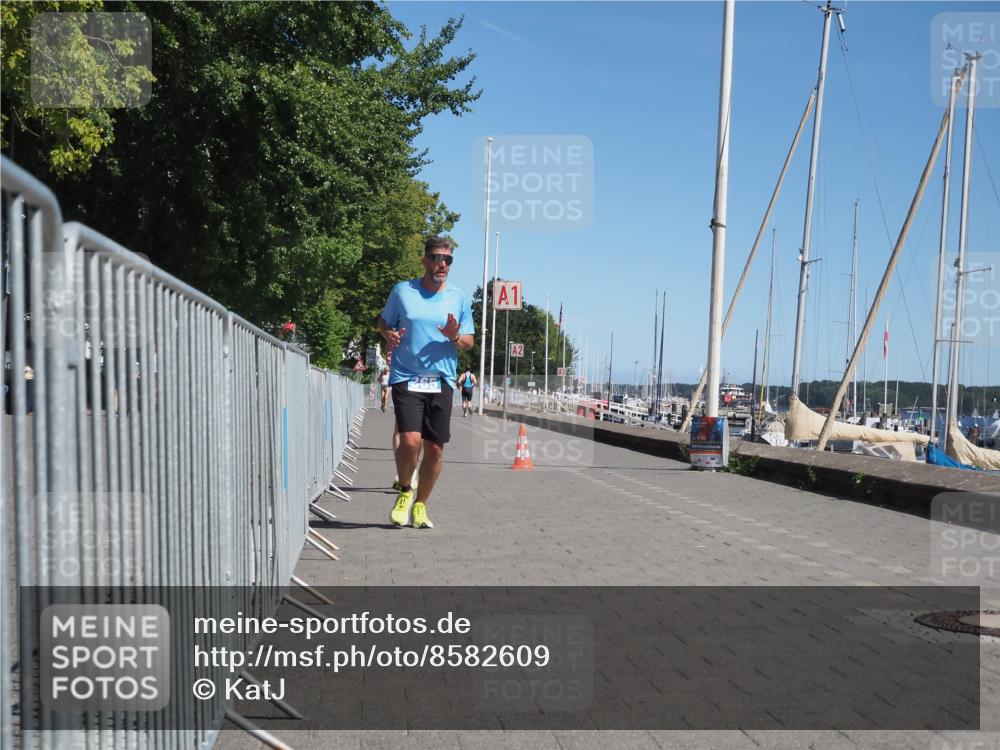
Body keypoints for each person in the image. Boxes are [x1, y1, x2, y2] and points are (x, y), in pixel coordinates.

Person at [378, 237, 474, 529]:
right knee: (409, 440)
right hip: (406, 375)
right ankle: (405, 491)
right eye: (435, 257)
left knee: (434, 449)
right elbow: (383, 322)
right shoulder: (402, 291)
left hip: (441, 380)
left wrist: (454, 336)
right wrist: (388, 334)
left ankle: (421, 504)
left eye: (447, 259)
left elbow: (469, 343)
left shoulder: (459, 298)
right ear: (424, 260)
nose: (441, 264)